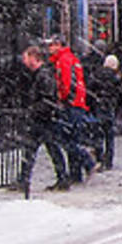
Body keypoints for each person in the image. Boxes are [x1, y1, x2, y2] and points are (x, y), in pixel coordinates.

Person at [16, 45, 71, 192]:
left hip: (43, 120)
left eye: (26, 57)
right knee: (45, 149)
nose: (24, 61)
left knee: (39, 149)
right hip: (43, 119)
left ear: (34, 58)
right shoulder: (41, 74)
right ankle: (60, 178)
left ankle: (25, 180)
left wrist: (34, 110)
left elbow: (47, 99)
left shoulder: (43, 75)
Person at [47, 37, 96, 185]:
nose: (49, 48)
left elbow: (66, 82)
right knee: (72, 137)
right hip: (78, 103)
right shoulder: (72, 58)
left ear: (58, 46)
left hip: (72, 104)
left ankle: (86, 162)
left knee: (67, 139)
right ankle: (76, 173)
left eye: (51, 45)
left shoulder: (63, 60)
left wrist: (62, 98)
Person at [89, 55, 122, 171]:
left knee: (98, 135)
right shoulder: (116, 78)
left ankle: (99, 158)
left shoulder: (96, 75)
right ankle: (108, 160)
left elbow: (90, 90)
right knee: (109, 136)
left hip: (98, 106)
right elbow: (120, 94)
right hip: (109, 107)